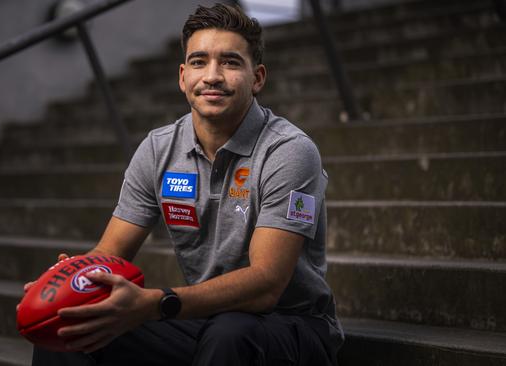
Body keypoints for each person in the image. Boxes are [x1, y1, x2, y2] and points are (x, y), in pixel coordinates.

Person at [28, 3, 344, 365]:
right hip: (204, 319)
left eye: (229, 62)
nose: (212, 75)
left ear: (257, 78)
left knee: (230, 333)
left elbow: (266, 285)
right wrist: (65, 286)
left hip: (294, 327)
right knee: (69, 329)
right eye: (199, 62)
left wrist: (156, 303)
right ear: (182, 77)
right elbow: (110, 255)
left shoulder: (289, 151)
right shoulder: (159, 149)